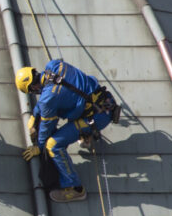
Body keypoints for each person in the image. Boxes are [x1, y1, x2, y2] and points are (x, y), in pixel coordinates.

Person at [15, 59, 118, 203]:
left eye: (31, 91)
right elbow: (60, 91)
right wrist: (35, 114)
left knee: (52, 144)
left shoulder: (47, 99)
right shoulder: (55, 65)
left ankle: (74, 188)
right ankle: (85, 135)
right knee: (72, 104)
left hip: (96, 117)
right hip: (104, 102)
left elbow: (47, 126)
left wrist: (39, 147)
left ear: (32, 88)